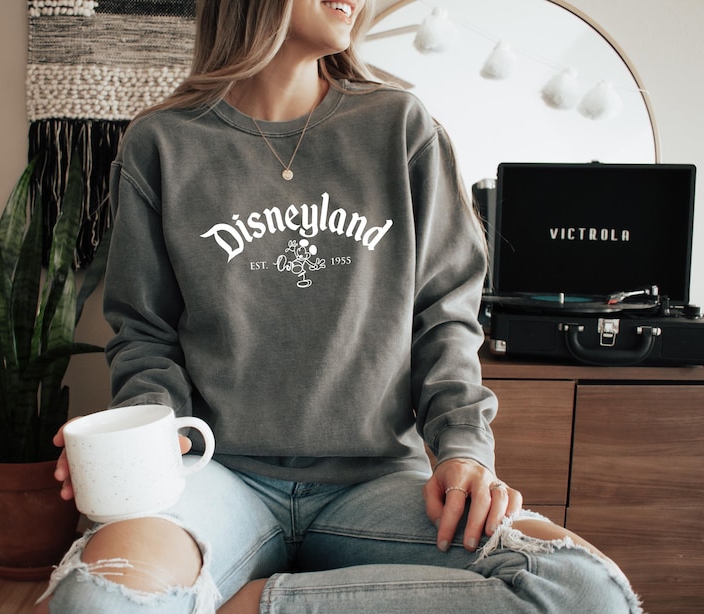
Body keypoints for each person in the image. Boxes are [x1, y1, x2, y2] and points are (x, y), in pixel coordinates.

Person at [36, 1, 643, 612]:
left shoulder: (401, 127)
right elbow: (145, 335)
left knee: (584, 591)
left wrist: (463, 448)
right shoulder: (162, 142)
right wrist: (144, 435)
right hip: (217, 478)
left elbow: (444, 318)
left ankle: (249, 604)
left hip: (379, 485)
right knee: (93, 601)